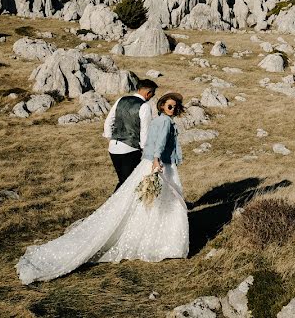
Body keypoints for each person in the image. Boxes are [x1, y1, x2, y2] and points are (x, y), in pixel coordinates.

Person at [15, 91, 188, 284]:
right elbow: (160, 144)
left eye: (175, 106)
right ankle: (164, 243)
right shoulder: (164, 122)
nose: (172, 109)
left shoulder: (158, 120)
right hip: (159, 163)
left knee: (145, 202)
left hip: (147, 163)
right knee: (165, 204)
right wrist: (156, 162)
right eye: (169, 106)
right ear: (162, 106)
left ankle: (152, 237)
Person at [103, 80, 157, 191]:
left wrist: (110, 139)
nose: (154, 95)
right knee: (129, 183)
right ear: (148, 93)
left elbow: (108, 121)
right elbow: (144, 131)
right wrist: (145, 150)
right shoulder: (144, 106)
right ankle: (114, 205)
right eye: (153, 93)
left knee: (123, 180)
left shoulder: (121, 100)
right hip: (130, 149)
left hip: (113, 147)